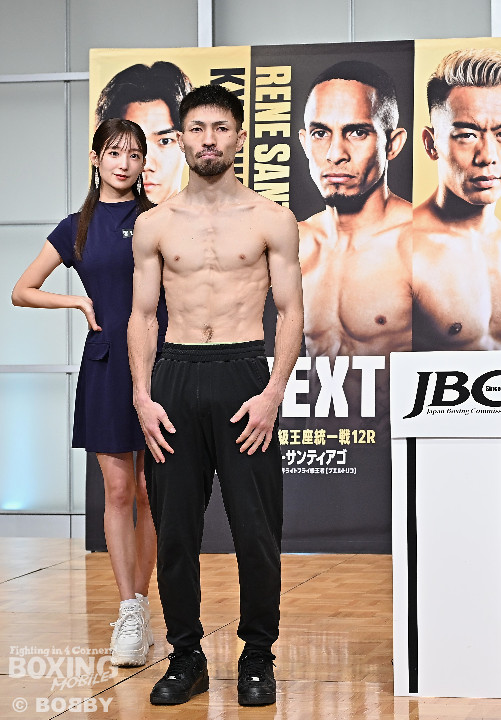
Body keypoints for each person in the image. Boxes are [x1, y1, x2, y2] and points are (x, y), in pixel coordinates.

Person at [128, 85, 304, 706]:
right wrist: (143, 396)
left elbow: (291, 311)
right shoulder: (153, 224)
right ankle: (186, 657)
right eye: (197, 128)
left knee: (256, 532)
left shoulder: (271, 219)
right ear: (180, 139)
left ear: (240, 137)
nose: (209, 139)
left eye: (221, 128)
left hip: (243, 375)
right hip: (175, 375)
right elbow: (142, 315)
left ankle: (257, 657)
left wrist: (272, 392)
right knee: (175, 533)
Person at [12, 118, 163, 668]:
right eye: (114, 152)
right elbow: (22, 291)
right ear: (96, 158)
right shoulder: (74, 228)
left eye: (134, 154)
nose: (124, 163)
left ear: (143, 164)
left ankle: (142, 603)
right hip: (105, 365)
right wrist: (75, 301)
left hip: (159, 363)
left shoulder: (157, 218)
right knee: (118, 490)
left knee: (150, 492)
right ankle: (129, 611)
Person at [412, 48, 501, 355]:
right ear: (431, 144)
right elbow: (368, 380)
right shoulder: (399, 252)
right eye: (467, 135)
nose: (487, 156)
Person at [297, 60, 412, 359]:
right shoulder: (293, 245)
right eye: (320, 133)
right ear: (304, 142)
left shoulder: (424, 245)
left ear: (392, 144)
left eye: (357, 132)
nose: (335, 154)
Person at [96, 62, 193, 203]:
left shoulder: (214, 217)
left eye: (165, 141)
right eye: (129, 142)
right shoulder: (87, 218)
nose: (146, 166)